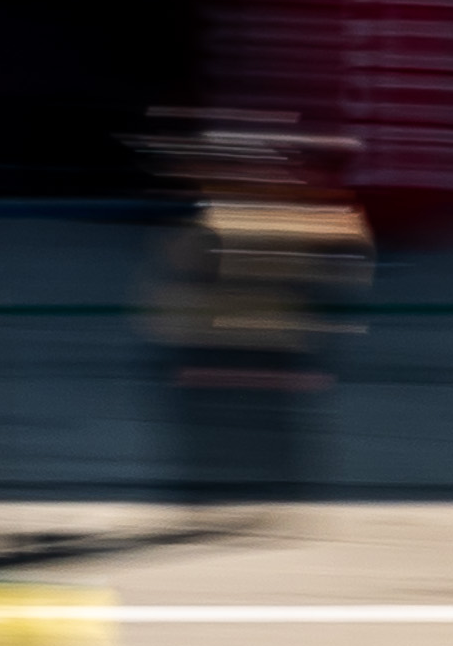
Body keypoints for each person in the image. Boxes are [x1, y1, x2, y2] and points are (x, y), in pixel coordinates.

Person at [138, 122, 373, 514]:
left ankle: (231, 489)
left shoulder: (225, 218)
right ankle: (260, 489)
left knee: (233, 422)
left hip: (233, 341)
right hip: (247, 340)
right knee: (253, 423)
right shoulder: (274, 214)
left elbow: (185, 274)